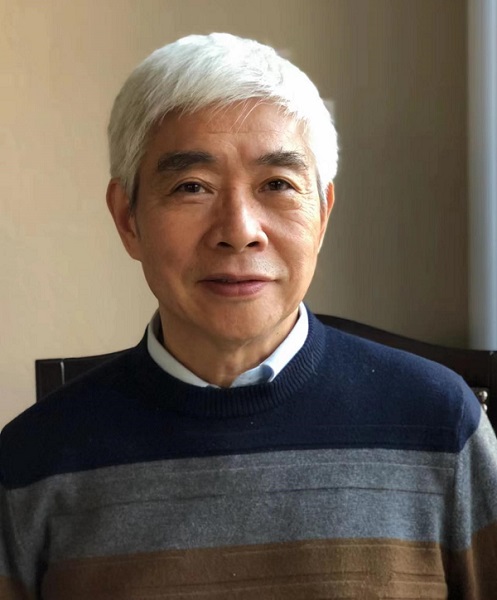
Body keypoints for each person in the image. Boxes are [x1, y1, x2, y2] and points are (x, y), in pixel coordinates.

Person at [1, 32, 496, 600]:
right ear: (128, 219)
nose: (239, 231)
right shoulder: (32, 463)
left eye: (278, 185)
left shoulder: (440, 423)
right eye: (192, 186)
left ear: (322, 214)